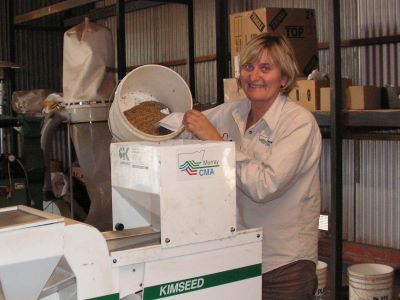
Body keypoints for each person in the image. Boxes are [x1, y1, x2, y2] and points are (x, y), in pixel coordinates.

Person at [182, 33, 321, 299]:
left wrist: (215, 141)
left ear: (284, 78)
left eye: (265, 68)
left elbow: (264, 186)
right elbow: (184, 128)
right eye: (248, 67)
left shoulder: (298, 123)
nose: (254, 75)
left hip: (283, 265)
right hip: (237, 257)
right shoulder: (230, 113)